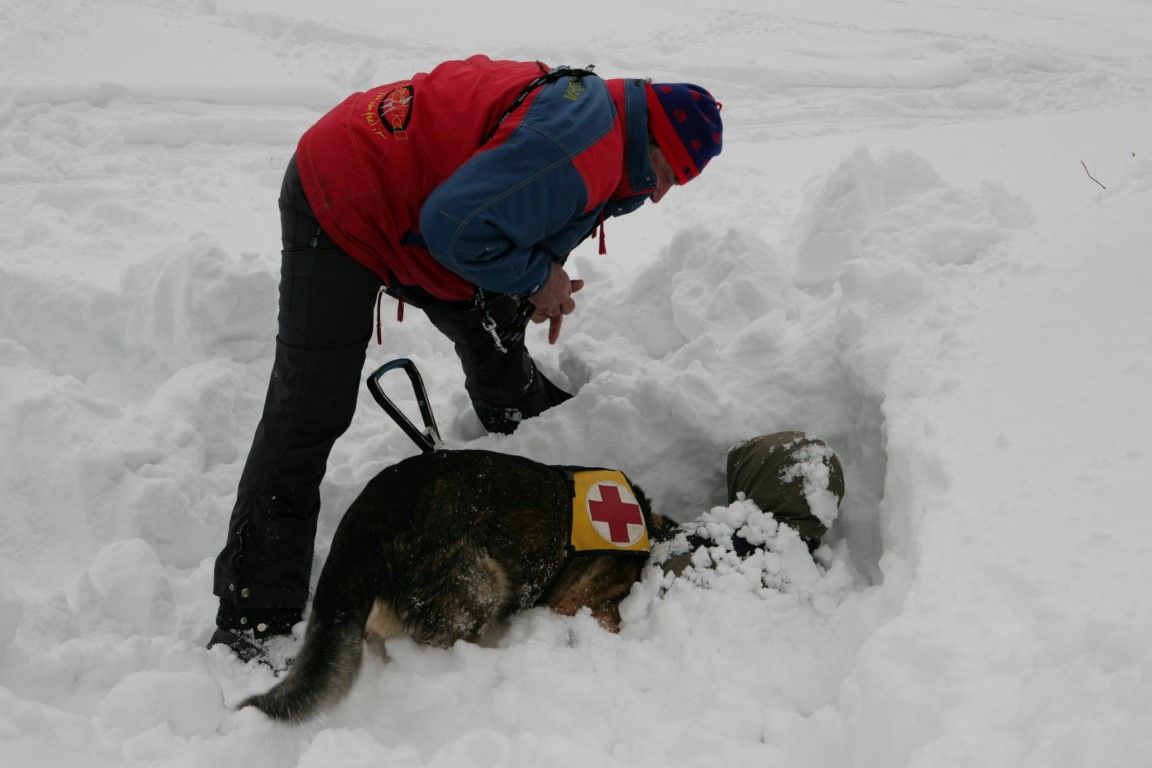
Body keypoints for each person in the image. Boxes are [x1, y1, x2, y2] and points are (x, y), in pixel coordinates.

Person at [208, 55, 723, 660]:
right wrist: (536, 280)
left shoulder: (612, 138)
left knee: (501, 347)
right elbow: (455, 228)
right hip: (347, 196)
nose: (661, 193)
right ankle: (254, 615)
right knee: (307, 411)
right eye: (667, 171)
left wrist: (536, 280)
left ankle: (522, 460)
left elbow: (491, 214)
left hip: (424, 214)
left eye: (676, 183)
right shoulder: (579, 145)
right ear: (651, 138)